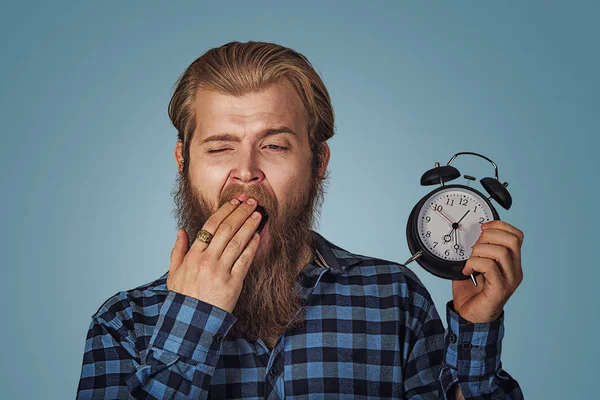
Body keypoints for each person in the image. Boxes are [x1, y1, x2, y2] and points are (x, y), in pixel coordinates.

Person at [76, 41, 524, 399]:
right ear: (182, 161)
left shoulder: (395, 300)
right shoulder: (123, 324)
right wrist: (193, 319)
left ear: (318, 161)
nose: (247, 170)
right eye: (219, 147)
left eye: (275, 146)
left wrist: (476, 330)